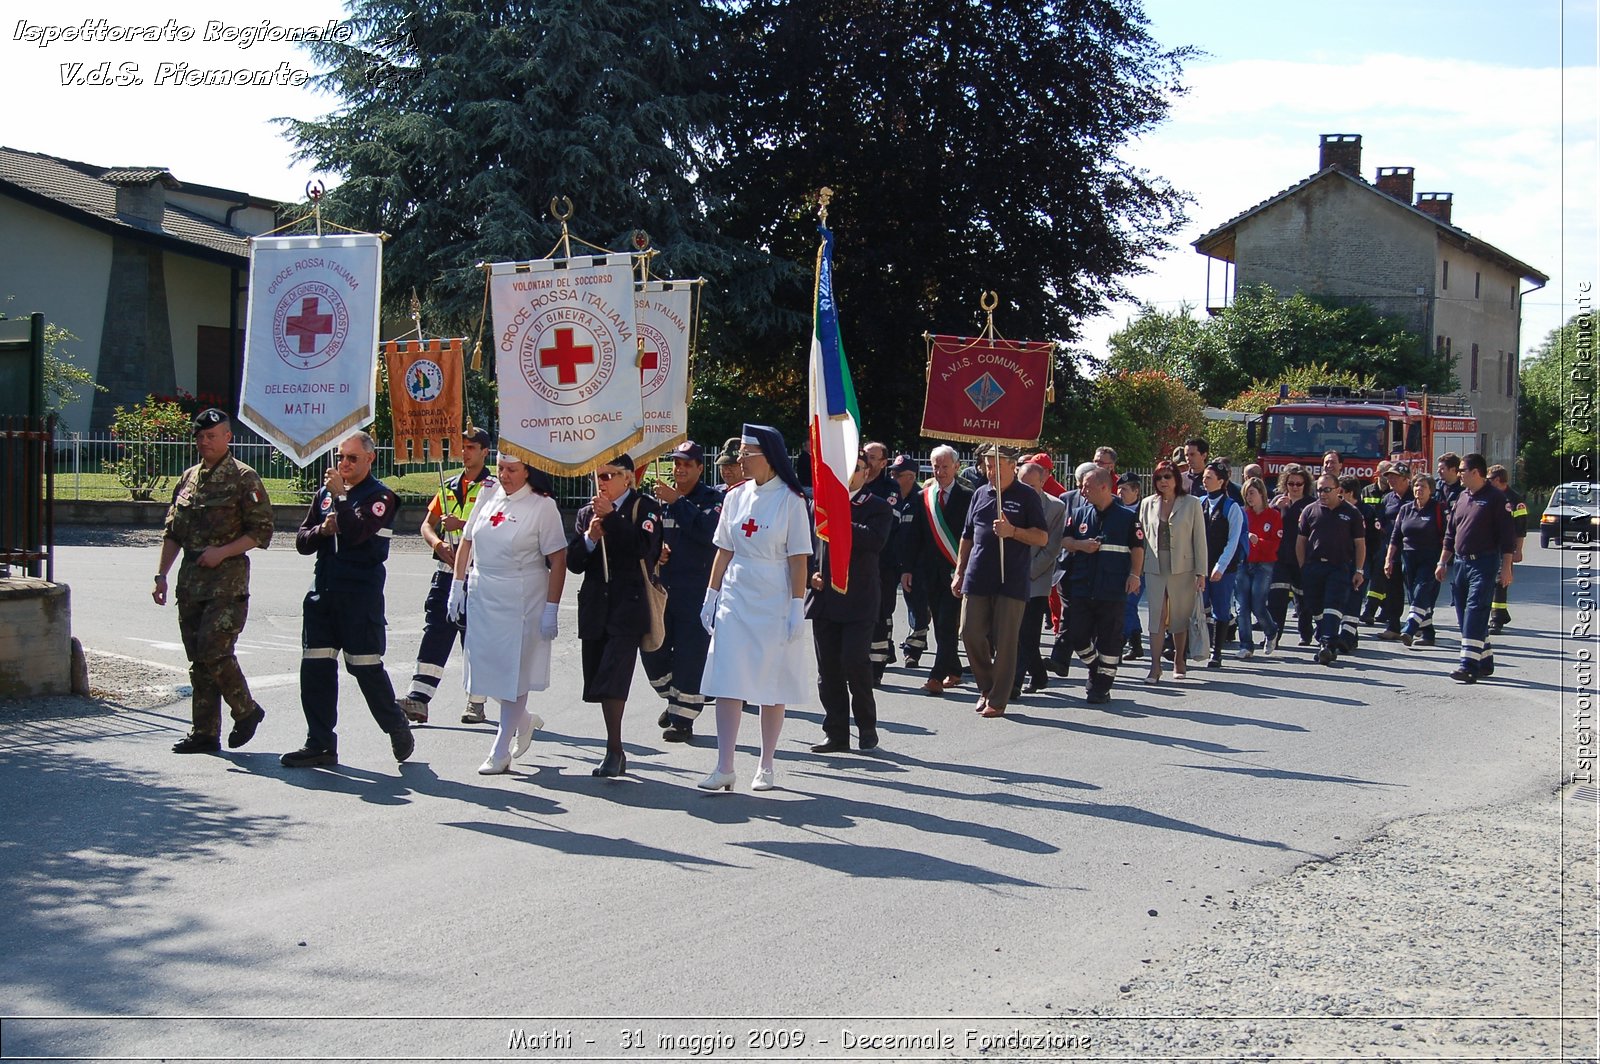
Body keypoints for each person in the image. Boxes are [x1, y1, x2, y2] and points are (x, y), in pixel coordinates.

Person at [283, 431, 413, 767]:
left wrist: (341, 500)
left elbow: (357, 535)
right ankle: (320, 742)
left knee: (364, 667)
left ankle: (396, 724)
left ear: (370, 459)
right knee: (315, 669)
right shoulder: (325, 494)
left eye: (352, 458)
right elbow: (301, 539)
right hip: (323, 594)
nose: (344, 464)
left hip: (359, 597)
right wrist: (320, 531)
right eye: (340, 457)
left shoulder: (381, 496)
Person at [698, 424, 812, 791]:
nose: (741, 461)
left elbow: (798, 559)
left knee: (770, 682)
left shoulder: (790, 500)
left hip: (773, 593)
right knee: (728, 677)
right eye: (741, 454)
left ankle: (766, 764)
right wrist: (711, 594)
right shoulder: (734, 496)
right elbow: (724, 548)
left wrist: (797, 604)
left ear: (769, 456)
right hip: (736, 592)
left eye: (748, 454)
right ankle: (724, 764)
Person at [154, 408, 274, 753]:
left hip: (227, 581)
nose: (204, 442)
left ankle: (246, 710)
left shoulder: (243, 478)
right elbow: (173, 531)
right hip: (190, 581)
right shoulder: (189, 477)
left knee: (214, 650)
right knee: (198, 658)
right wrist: (161, 575)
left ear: (228, 438)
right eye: (200, 437)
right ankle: (204, 732)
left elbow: (261, 532)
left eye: (212, 436)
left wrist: (222, 553)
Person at [447, 454, 567, 774]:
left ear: (529, 470)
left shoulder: (542, 506)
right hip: (483, 593)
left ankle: (500, 750)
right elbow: (468, 540)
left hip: (522, 598)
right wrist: (457, 585)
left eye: (512, 469)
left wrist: (552, 608)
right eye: (501, 468)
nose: (504, 475)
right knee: (484, 670)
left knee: (513, 671)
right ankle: (523, 720)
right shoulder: (487, 494)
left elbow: (558, 558)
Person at [566, 453, 663, 777]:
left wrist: (614, 520)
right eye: (598, 476)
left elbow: (643, 548)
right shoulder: (585, 513)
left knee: (613, 677)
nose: (602, 482)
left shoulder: (644, 507)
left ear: (628, 478)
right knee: (597, 677)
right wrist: (591, 538)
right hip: (596, 605)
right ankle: (614, 748)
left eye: (608, 476)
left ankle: (614, 749)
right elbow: (574, 562)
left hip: (628, 607)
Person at [397, 425, 494, 726]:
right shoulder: (449, 484)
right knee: (436, 632)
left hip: (479, 572)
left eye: (471, 447)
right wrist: (438, 543)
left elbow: (496, 527)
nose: (464, 452)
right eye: (462, 447)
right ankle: (419, 698)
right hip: (446, 572)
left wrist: (461, 524)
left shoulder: (494, 487)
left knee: (475, 637)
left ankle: (476, 701)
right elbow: (427, 524)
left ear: (484, 452)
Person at [808, 453, 895, 753]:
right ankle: (836, 732)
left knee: (855, 663)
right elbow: (805, 546)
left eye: (855, 468)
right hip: (825, 598)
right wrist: (810, 574)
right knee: (828, 669)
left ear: (866, 473)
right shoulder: (818, 505)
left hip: (859, 599)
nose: (848, 473)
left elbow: (874, 541)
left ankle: (867, 727)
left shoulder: (877, 506)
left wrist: (838, 517)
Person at [954, 445, 1048, 718]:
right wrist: (960, 570)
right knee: (969, 632)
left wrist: (1013, 531)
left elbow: (1041, 537)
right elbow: (967, 535)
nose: (990, 470)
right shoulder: (980, 494)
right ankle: (986, 686)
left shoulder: (1027, 496)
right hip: (978, 574)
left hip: (1011, 578)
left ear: (1012, 465)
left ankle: (998, 698)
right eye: (986, 465)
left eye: (995, 464)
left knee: (1006, 640)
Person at [642, 440, 723, 743]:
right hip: (664, 590)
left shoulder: (712, 499)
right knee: (653, 650)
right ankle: (674, 699)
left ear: (700, 468)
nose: (680, 469)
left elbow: (709, 533)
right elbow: (649, 535)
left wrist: (678, 501)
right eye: (677, 463)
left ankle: (683, 720)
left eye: (687, 464)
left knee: (690, 656)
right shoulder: (660, 500)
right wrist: (656, 550)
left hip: (695, 591)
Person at [1061, 467, 1145, 703]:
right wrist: (1080, 544)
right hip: (1082, 586)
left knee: (1109, 639)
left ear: (1104, 487)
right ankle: (1095, 666)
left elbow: (1138, 548)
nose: (1082, 490)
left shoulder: (1127, 517)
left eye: (1087, 486)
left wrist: (1135, 575)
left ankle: (1102, 687)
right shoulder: (1078, 514)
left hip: (1112, 587)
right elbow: (1065, 540)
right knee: (1077, 636)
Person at [1435, 453, 1516, 683]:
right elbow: (1451, 534)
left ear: (1475, 472)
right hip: (1461, 562)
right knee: (1462, 612)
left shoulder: (1496, 499)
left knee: (1475, 610)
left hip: (1484, 562)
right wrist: (1442, 561)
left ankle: (1468, 665)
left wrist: (1507, 567)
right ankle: (1485, 659)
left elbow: (1507, 537)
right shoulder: (1462, 497)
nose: (1459, 474)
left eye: (1462, 470)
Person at [904, 445, 973, 694]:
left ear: (956, 467)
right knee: (939, 623)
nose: (940, 471)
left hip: (957, 569)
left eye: (945, 466)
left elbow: (973, 535)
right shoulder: (924, 496)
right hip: (929, 571)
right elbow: (914, 536)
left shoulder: (968, 496)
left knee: (946, 623)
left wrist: (966, 568)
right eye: (936, 466)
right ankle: (954, 669)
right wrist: (908, 568)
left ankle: (937, 675)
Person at [1137, 459, 1207, 683]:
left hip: (1183, 567)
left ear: (1177, 478)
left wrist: (1201, 572)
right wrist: (1135, 570)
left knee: (1179, 616)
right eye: (1159, 478)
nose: (1163, 481)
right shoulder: (1147, 503)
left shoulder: (1191, 503)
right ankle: (1155, 666)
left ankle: (1179, 658)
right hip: (1154, 566)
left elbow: (1199, 539)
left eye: (1167, 476)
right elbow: (1140, 540)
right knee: (1156, 617)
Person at [1296, 472, 1365, 667]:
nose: (1322, 494)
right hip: (1313, 566)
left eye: (1327, 490)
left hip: (1339, 567)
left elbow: (1360, 544)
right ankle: (1327, 642)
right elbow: (1300, 542)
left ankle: (1327, 644)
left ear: (1338, 490)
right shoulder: (1309, 511)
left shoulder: (1351, 513)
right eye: (1319, 490)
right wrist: (1304, 567)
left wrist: (1359, 570)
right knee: (1315, 607)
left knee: (1332, 606)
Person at [1012, 461, 1066, 696]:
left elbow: (1052, 548)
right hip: (1010, 576)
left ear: (1043, 482)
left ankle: (1013, 683)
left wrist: (1028, 571)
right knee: (1017, 633)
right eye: (1021, 483)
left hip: (1037, 579)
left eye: (1031, 485)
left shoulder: (1056, 507)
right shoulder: (1009, 502)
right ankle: (1040, 675)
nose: (1025, 489)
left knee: (1028, 632)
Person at [1386, 473, 1445, 647]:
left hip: (1431, 558)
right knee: (1414, 597)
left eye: (1423, 487)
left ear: (1431, 491)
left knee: (1421, 592)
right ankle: (1428, 633)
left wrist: (1443, 561)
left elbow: (1447, 537)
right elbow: (1396, 537)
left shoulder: (1437, 509)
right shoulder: (1405, 509)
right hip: (1408, 558)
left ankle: (1410, 628)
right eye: (1417, 486)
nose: (1419, 489)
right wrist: (1389, 559)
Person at [1199, 460, 1245, 669]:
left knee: (1221, 609)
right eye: (1204, 477)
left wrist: (1221, 565)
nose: (1204, 481)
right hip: (1201, 566)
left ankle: (1217, 653)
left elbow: (1233, 539)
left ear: (1222, 481)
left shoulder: (1231, 506)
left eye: (1209, 478)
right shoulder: (1199, 503)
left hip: (1223, 568)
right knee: (1200, 606)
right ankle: (1201, 646)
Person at [858, 440, 899, 678]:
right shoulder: (854, 482)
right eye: (866, 456)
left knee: (881, 612)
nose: (869, 461)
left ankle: (877, 665)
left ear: (884, 463)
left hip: (884, 562)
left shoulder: (889, 488)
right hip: (859, 561)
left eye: (874, 458)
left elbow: (886, 525)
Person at [1267, 465, 1315, 650]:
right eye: (1291, 483)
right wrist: (1275, 508)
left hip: (1302, 558)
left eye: (1298, 484)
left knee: (1302, 598)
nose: (1294, 487)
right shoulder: (1277, 502)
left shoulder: (1311, 505)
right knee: (1276, 598)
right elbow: (1265, 522)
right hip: (1280, 557)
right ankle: (1274, 636)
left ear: (1305, 485)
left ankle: (1306, 633)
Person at [889, 454, 931, 668]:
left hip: (915, 564)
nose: (893, 476)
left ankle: (913, 649)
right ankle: (884, 647)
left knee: (917, 607)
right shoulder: (890, 495)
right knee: (884, 606)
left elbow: (922, 539)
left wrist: (911, 567)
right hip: (889, 561)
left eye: (898, 474)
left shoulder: (922, 499)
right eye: (892, 472)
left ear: (911, 476)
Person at [1234, 476, 1281, 658]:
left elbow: (1275, 545)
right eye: (1246, 495)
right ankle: (1246, 644)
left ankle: (1271, 631)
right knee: (1242, 606)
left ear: (1262, 493)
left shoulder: (1273, 516)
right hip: (1244, 563)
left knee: (1258, 604)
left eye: (1252, 493)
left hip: (1264, 564)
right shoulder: (1243, 514)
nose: (1249, 498)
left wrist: (1257, 541)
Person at [1335, 474, 1377, 653]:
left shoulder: (1366, 512)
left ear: (1350, 493)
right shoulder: (1336, 510)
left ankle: (1346, 638)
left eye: (1340, 491)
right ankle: (1351, 636)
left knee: (1354, 598)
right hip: (1341, 561)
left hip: (1360, 562)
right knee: (1342, 600)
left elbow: (1374, 540)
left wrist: (1366, 562)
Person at [1374, 463, 1415, 640]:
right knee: (1392, 589)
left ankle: (1418, 625)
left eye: (1395, 477)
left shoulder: (1416, 496)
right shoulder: (1387, 498)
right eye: (1389, 476)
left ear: (1406, 479)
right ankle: (1393, 626)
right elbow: (1380, 520)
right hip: (1392, 550)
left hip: (1412, 551)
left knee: (1414, 590)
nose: (1390, 479)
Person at [1487, 465, 1528, 634]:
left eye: (1489, 479)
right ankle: (1501, 614)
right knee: (1489, 581)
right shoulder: (1489, 496)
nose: (1487, 482)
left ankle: (1496, 619)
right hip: (1488, 545)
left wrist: (1518, 550)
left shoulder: (1516, 501)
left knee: (1500, 582)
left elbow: (1521, 529)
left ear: (1497, 480)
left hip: (1506, 548)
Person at [1116, 473, 1146, 661]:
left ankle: (1119, 641)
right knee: (1127, 605)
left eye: (1125, 489)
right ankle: (1136, 644)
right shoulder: (1116, 508)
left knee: (1128, 604)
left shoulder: (1145, 510)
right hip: (1120, 564)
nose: (1120, 493)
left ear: (1136, 491)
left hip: (1140, 566)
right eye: (1119, 489)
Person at [1358, 462, 1391, 625]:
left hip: (1384, 541)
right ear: (1377, 473)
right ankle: (1384, 608)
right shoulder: (1367, 491)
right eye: (1386, 473)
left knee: (1379, 577)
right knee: (1364, 574)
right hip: (1368, 540)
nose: (1389, 477)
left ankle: (1369, 611)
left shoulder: (1393, 493)